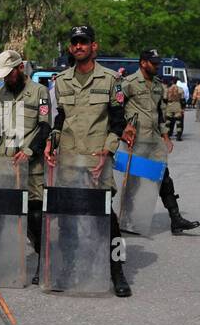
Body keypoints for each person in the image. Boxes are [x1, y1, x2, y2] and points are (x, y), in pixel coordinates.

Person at [43, 24, 134, 297]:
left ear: (94, 46)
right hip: (69, 159)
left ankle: (117, 271)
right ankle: (68, 269)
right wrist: (52, 140)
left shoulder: (110, 80)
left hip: (97, 158)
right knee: (68, 218)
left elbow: (118, 121)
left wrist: (108, 150)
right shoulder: (61, 81)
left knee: (107, 218)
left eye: (84, 42)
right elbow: (60, 117)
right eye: (75, 42)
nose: (79, 46)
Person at [0, 49, 51, 282]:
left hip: (30, 166)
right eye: (4, 75)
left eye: (9, 74)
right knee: (0, 215)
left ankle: (43, 261)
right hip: (4, 164)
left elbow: (45, 127)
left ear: (20, 69)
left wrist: (29, 151)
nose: (7, 79)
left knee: (34, 216)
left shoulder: (39, 93)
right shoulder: (1, 94)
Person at [120, 49, 199, 234]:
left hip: (154, 140)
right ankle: (126, 219)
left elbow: (160, 113)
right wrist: (124, 128)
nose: (157, 66)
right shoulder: (128, 83)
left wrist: (165, 137)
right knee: (132, 182)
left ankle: (175, 218)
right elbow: (115, 108)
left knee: (164, 177)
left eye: (158, 63)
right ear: (143, 63)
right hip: (135, 140)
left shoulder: (157, 85)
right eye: (154, 63)